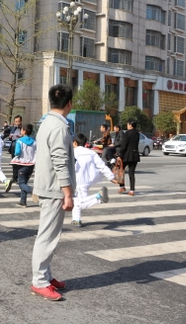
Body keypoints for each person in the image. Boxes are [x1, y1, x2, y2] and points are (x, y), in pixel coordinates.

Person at [30, 84, 75, 301]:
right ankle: (39, 281)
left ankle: (45, 276)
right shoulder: (59, 127)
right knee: (47, 237)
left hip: (47, 185)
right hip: (54, 188)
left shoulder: (47, 122)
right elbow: (60, 161)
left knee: (48, 235)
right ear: (69, 104)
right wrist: (68, 192)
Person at [71, 133, 113, 227]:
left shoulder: (73, 152)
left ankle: (99, 197)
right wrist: (111, 176)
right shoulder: (91, 152)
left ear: (75, 142)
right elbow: (101, 165)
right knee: (76, 199)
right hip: (89, 180)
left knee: (80, 203)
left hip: (78, 180)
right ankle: (76, 219)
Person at [10, 123, 36, 207]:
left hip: (22, 165)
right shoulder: (34, 142)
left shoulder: (19, 141)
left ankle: (32, 191)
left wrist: (16, 153)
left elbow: (17, 152)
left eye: (21, 129)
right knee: (24, 182)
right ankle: (23, 201)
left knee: (21, 183)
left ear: (24, 131)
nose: (20, 131)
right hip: (31, 165)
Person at [118, 119, 140, 196]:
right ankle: (132, 190)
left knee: (121, 170)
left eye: (128, 124)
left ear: (130, 125)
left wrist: (120, 155)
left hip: (127, 155)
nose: (127, 126)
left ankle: (122, 186)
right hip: (135, 154)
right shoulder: (137, 133)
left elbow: (124, 145)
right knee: (131, 173)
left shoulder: (127, 133)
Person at [9, 115, 24, 185]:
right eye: (16, 121)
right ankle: (14, 177)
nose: (17, 123)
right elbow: (10, 138)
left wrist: (21, 136)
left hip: (21, 146)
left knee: (20, 163)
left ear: (21, 121)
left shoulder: (23, 128)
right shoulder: (13, 128)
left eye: (18, 121)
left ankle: (19, 178)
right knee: (14, 162)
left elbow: (27, 136)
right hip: (14, 146)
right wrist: (10, 136)